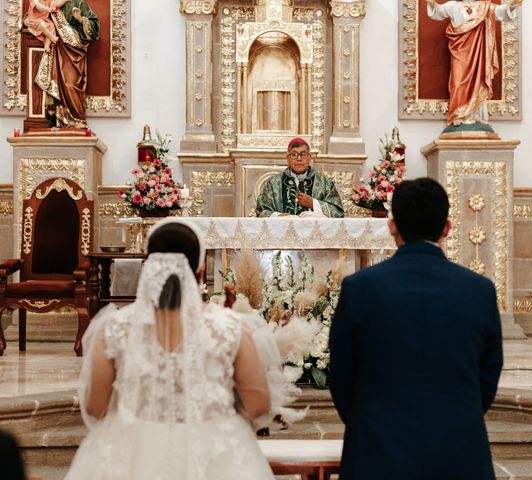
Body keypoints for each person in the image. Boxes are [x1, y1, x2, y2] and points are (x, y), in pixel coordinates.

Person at [65, 218, 275, 480]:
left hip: (132, 451)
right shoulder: (230, 328)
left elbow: (95, 406)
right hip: (214, 452)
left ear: (149, 267)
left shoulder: (114, 328)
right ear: (200, 271)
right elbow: (259, 405)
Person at [329, 177, 503, 480]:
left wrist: (366, 421)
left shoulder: (359, 288)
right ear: (447, 228)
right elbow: (488, 375)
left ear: (392, 226)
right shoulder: (480, 290)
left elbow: (342, 375)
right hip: (460, 449)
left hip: (377, 451)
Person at [426, 0, 523, 126]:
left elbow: (500, 12)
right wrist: (433, 3)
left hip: (479, 53)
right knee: (458, 82)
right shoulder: (453, 6)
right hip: (460, 51)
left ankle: (476, 115)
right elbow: (438, 12)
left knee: (478, 80)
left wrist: (513, 5)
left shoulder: (485, 6)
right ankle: (458, 114)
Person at [35, 0, 99, 128]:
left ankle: (77, 120)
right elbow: (34, 15)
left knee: (70, 84)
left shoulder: (79, 3)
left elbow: (95, 28)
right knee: (57, 84)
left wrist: (81, 19)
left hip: (74, 51)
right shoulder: (49, 2)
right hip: (56, 49)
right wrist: (26, 22)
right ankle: (59, 119)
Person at [255, 138, 344, 218]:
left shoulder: (324, 182)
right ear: (287, 158)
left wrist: (313, 203)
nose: (299, 158)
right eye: (294, 154)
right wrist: (279, 216)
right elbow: (261, 211)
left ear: (309, 158)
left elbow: (338, 213)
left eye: (303, 154)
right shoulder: (273, 183)